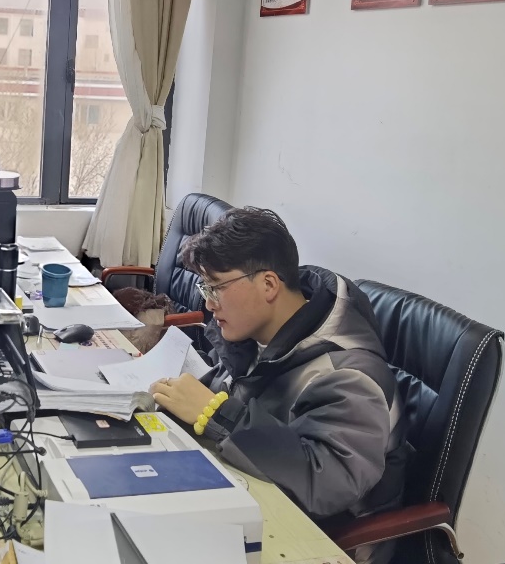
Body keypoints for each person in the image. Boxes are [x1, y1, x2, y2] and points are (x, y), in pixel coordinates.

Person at [150, 207, 408, 564]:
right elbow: (230, 392)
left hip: (323, 542)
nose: (208, 303)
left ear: (269, 284)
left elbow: (326, 484)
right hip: (255, 495)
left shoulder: (349, 375)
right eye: (204, 287)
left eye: (216, 288)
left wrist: (216, 414)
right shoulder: (259, 335)